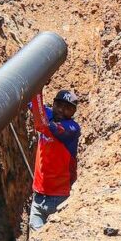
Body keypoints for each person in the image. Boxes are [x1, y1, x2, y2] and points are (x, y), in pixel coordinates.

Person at [28, 89, 80, 231]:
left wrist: (37, 90)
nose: (62, 110)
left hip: (60, 198)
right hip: (38, 196)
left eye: (68, 108)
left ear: (73, 112)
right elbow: (31, 103)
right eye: (59, 105)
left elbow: (43, 125)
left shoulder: (72, 128)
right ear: (54, 104)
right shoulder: (49, 115)